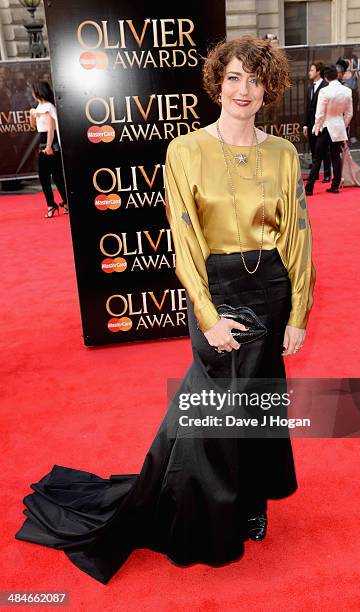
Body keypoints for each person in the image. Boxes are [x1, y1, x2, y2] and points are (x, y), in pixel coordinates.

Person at [15, 35, 316, 585]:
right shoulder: (186, 150)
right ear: (217, 83)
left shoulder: (283, 153)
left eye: (254, 79)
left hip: (270, 287)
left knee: (260, 401)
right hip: (218, 291)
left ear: (268, 87)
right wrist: (206, 314)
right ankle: (202, 511)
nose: (243, 89)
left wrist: (299, 311)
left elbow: (297, 234)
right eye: (233, 78)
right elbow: (185, 236)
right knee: (214, 408)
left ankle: (252, 503)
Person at [305, 64, 353, 195]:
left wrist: (316, 128)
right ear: (337, 75)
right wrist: (343, 125)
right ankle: (335, 185)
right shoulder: (347, 91)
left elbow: (319, 114)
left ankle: (309, 187)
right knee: (335, 157)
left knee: (317, 158)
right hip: (338, 127)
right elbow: (349, 114)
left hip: (325, 127)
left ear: (326, 77)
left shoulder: (324, 91)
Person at [30, 80, 68, 218]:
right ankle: (63, 203)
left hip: (50, 142)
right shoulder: (40, 106)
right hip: (43, 140)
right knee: (54, 176)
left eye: (33, 91)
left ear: (38, 91)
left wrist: (49, 146)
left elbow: (51, 128)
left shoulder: (49, 106)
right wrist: (31, 114)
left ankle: (53, 205)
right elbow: (33, 126)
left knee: (48, 176)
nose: (32, 94)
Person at [303, 61, 331, 183]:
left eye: (312, 70)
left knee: (324, 150)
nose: (309, 72)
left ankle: (326, 174)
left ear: (318, 72)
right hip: (310, 124)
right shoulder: (310, 87)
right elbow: (307, 107)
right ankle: (314, 175)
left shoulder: (325, 86)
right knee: (314, 150)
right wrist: (305, 125)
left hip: (322, 123)